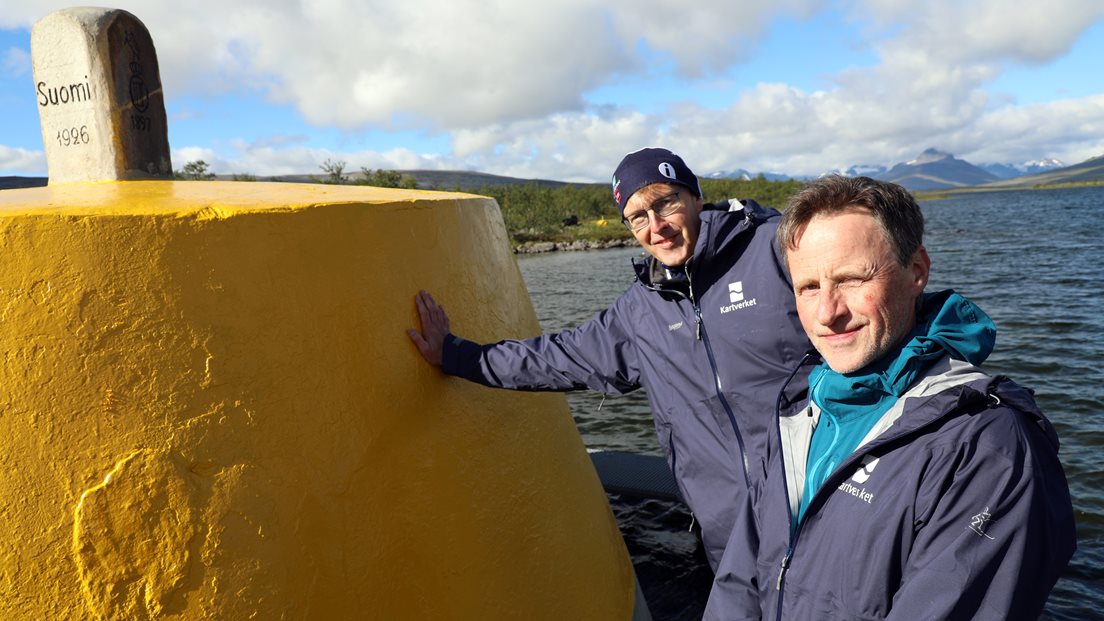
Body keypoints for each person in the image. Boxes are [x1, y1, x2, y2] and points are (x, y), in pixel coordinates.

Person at [406, 148, 813, 595]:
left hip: (821, 501)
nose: (655, 227)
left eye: (665, 203)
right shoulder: (640, 312)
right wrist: (456, 355)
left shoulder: (777, 249)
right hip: (730, 535)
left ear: (696, 197)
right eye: (637, 217)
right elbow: (556, 357)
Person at [712, 175, 1076, 619]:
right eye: (808, 287)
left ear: (916, 271)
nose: (828, 312)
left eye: (851, 279)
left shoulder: (985, 450)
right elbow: (740, 581)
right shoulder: (799, 414)